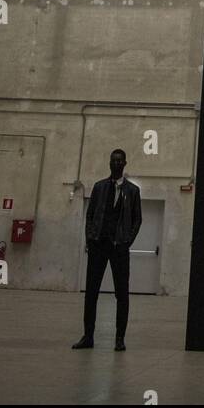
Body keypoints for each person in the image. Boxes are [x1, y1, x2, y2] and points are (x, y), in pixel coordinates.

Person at [72, 148, 142, 352]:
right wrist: (90, 238)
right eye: (113, 161)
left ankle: (120, 338)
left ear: (125, 164)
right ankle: (88, 336)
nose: (116, 164)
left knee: (122, 293)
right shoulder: (99, 187)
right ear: (109, 163)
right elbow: (91, 214)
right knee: (91, 292)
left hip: (119, 247)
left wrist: (127, 240)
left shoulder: (133, 191)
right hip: (98, 245)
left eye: (120, 161)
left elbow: (137, 219)